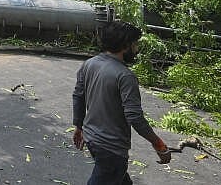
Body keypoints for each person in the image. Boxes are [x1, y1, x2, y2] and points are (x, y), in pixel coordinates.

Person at [72, 21, 172, 184]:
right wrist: (159, 144)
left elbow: (78, 96)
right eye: (135, 44)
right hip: (111, 147)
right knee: (110, 172)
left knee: (120, 179)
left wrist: (78, 126)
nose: (137, 49)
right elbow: (134, 117)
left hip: (92, 139)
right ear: (126, 46)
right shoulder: (125, 76)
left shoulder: (89, 64)